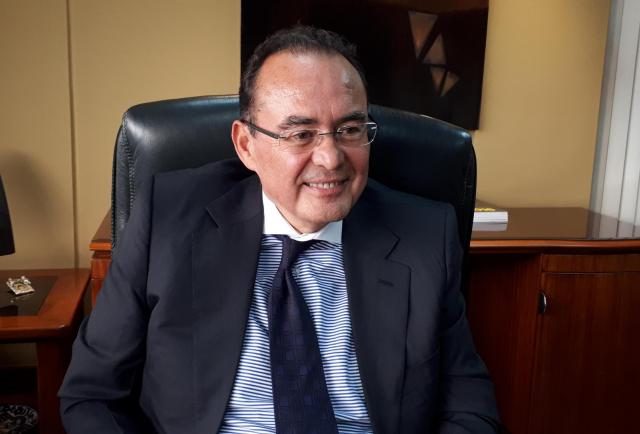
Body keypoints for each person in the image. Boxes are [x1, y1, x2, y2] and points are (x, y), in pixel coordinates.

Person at [59, 25, 501, 433]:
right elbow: (92, 394)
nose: (331, 158)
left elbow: (470, 410)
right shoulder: (169, 218)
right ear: (246, 145)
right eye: (301, 134)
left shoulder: (424, 234)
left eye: (349, 129)